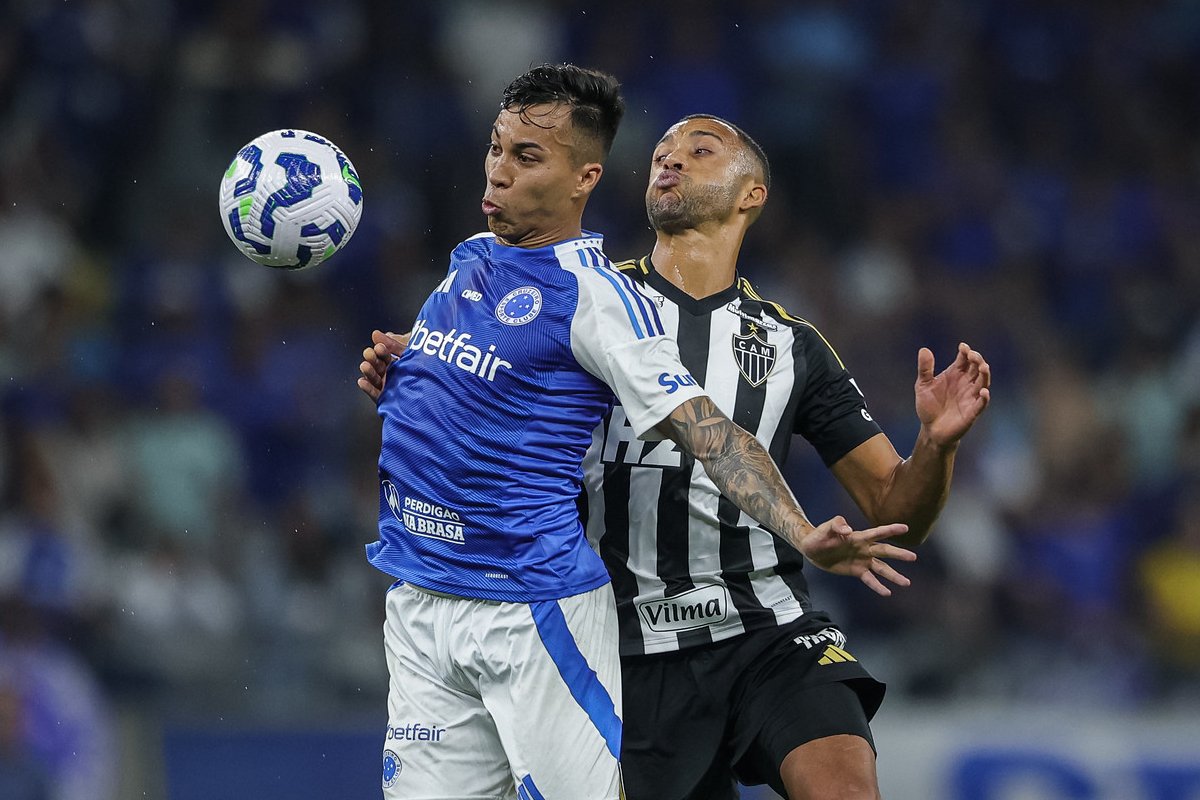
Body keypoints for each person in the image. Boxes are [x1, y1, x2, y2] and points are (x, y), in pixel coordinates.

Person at [362, 111, 990, 800]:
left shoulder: (791, 347)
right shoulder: (583, 300)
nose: (672, 160)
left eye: (700, 150)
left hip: (765, 630)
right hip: (626, 649)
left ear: (751, 194)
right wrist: (419, 379)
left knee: (844, 785)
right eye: (662, 151)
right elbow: (472, 407)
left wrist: (935, 445)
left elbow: (897, 511)